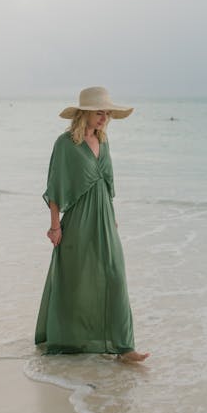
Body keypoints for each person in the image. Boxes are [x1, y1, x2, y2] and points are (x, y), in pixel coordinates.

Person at [34, 86, 149, 363]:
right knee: (75, 279)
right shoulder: (65, 144)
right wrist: (55, 227)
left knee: (114, 275)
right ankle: (68, 339)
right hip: (77, 220)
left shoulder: (104, 141)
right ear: (84, 113)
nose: (104, 118)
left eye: (107, 113)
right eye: (100, 112)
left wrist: (112, 217)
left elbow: (107, 185)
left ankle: (124, 346)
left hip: (104, 218)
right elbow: (55, 187)